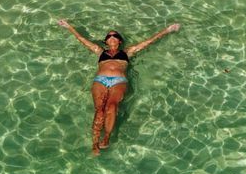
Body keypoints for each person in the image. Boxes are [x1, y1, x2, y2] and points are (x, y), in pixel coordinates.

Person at [56, 18, 180, 155]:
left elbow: (148, 42)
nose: (112, 37)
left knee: (112, 106)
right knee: (99, 110)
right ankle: (95, 143)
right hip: (100, 80)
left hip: (119, 81)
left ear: (119, 41)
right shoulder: (99, 51)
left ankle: (107, 137)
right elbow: (82, 39)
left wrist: (167, 30)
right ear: (106, 41)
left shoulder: (127, 52)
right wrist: (69, 27)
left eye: (115, 36)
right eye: (109, 36)